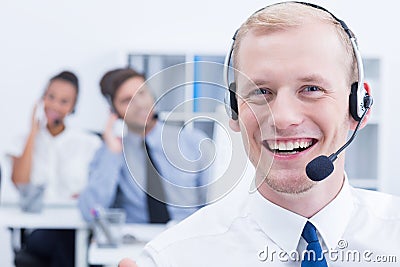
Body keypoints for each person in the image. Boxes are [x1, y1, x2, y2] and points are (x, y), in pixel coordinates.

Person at [119, 2, 400, 266]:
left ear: (360, 105)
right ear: (234, 110)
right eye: (261, 92)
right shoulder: (173, 258)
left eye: (311, 89)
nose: (283, 118)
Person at [78, 68, 211, 224]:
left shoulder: (194, 142)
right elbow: (90, 212)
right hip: (137, 241)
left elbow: (216, 203)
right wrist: (112, 155)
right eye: (127, 100)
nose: (140, 104)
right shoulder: (110, 153)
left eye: (142, 93)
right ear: (115, 112)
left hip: (187, 236)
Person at [8, 70, 101, 267]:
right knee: (62, 241)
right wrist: (33, 131)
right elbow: (20, 183)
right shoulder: (22, 142)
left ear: (73, 106)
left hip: (77, 226)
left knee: (68, 238)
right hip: (39, 229)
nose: (55, 105)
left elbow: (99, 189)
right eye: (51, 97)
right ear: (42, 98)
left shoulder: (88, 143)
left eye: (64, 101)